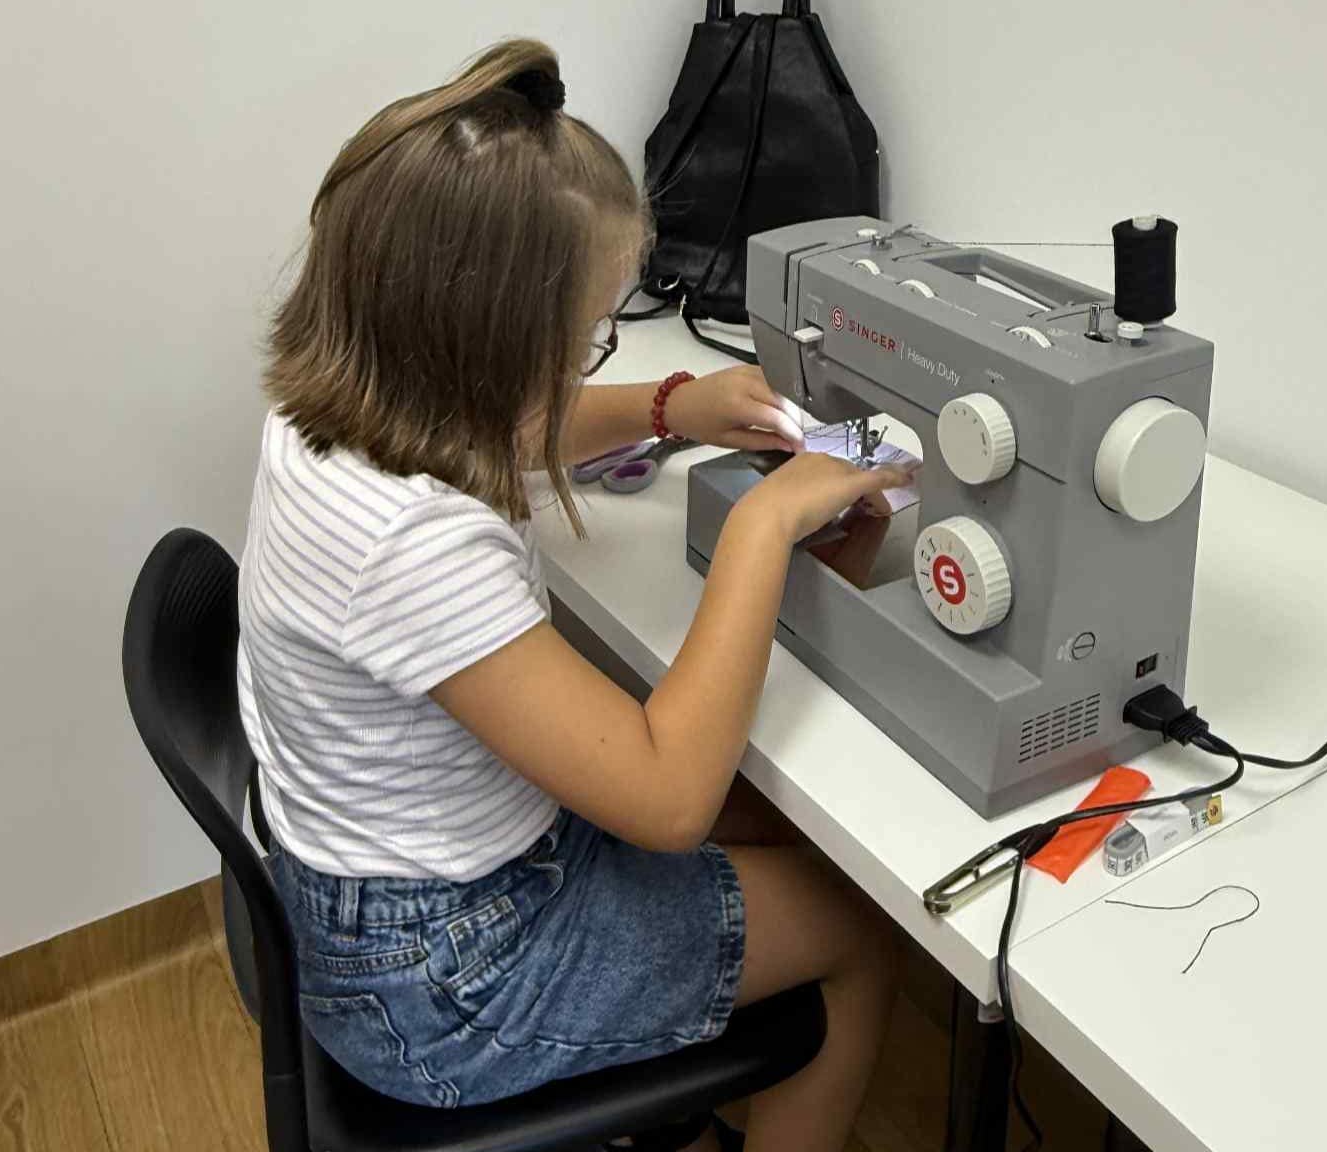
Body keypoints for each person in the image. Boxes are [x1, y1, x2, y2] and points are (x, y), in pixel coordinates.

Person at [238, 38, 906, 1152]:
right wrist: (764, 525)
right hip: (442, 981)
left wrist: (669, 405)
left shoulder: (337, 405)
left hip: (376, 888)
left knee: (782, 822)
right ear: (481, 341)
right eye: (584, 338)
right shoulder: (410, 542)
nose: (586, 361)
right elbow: (667, 799)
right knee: (859, 930)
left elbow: (504, 425)